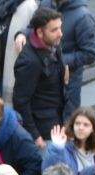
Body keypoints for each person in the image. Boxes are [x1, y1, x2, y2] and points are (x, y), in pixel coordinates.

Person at [13, 8, 68, 144]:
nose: (60, 34)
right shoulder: (29, 61)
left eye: (60, 28)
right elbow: (21, 101)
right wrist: (35, 135)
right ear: (39, 32)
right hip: (43, 131)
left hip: (57, 121)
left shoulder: (53, 45)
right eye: (54, 30)